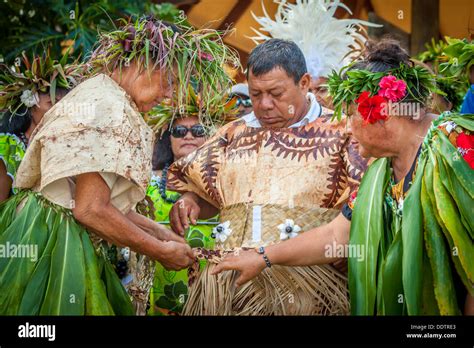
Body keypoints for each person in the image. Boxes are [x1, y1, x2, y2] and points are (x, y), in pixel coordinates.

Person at [212, 39, 474, 316]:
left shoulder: (455, 142)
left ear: (380, 113)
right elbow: (338, 233)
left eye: (350, 114)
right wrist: (263, 257)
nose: (346, 127)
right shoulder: (380, 172)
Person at [0, 15, 238, 315]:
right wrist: (160, 251)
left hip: (37, 226)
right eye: (170, 82)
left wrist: (161, 233)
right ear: (144, 64)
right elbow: (90, 209)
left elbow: (89, 198)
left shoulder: (100, 93)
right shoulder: (111, 108)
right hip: (54, 243)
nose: (169, 95)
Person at [167, 38, 369, 315]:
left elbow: (366, 208)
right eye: (255, 94)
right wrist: (190, 200)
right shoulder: (231, 134)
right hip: (231, 290)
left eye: (276, 93)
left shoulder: (344, 133)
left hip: (312, 291)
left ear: (304, 83)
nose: (264, 105)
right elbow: (209, 192)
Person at [146, 97, 228, 315]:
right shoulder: (148, 183)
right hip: (161, 289)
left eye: (198, 130)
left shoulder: (227, 181)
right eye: (180, 131)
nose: (189, 136)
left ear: (210, 136)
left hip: (215, 288)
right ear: (168, 138)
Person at [251, 0, 380, 109]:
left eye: (322, 90)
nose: (313, 97)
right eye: (307, 90)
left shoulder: (349, 128)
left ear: (337, 90)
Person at [0, 52, 84, 202]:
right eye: (52, 103)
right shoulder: (8, 146)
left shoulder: (64, 146)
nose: (59, 111)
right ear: (30, 105)